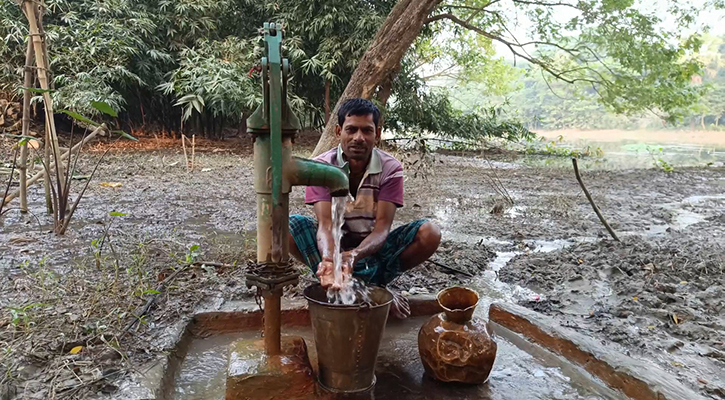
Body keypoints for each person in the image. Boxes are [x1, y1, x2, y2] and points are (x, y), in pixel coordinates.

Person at [288, 98, 441, 318]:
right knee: (288, 226)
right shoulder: (321, 167)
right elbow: (325, 225)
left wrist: (354, 256)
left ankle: (374, 284)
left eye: (366, 131)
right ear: (339, 131)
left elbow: (382, 229)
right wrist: (331, 258)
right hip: (334, 243)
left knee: (430, 233)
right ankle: (338, 278)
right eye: (351, 130)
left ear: (377, 134)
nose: (358, 138)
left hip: (372, 249)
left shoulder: (390, 168)